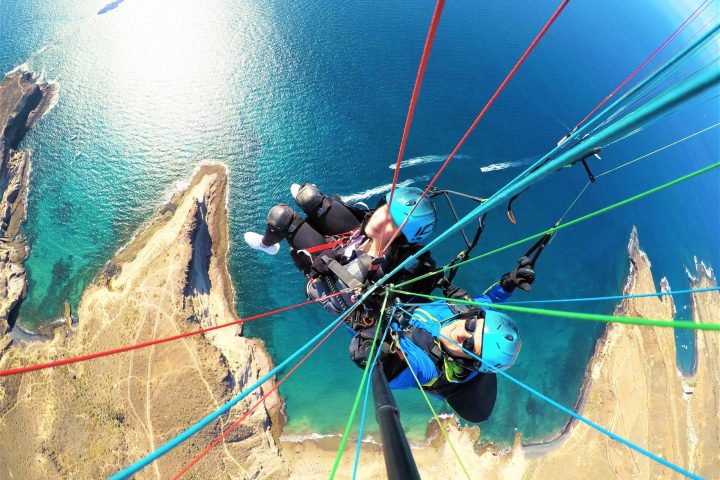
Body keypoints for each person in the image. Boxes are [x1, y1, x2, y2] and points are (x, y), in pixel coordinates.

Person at [349, 256, 536, 423]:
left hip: (368, 319)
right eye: (471, 326)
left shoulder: (430, 368)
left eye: (469, 346)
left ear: (467, 361)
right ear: (473, 316)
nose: (462, 333)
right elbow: (490, 300)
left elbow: (397, 375)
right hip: (401, 303)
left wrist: (380, 358)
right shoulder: (464, 312)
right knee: (422, 262)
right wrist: (509, 283)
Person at [244, 183, 442, 329]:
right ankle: (309, 206)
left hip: (331, 263)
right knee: (309, 196)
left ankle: (266, 245)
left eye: (392, 223)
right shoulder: (370, 226)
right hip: (355, 235)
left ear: (402, 238)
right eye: (385, 208)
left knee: (281, 217)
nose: (380, 217)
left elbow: (337, 302)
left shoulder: (381, 276)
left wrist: (320, 272)